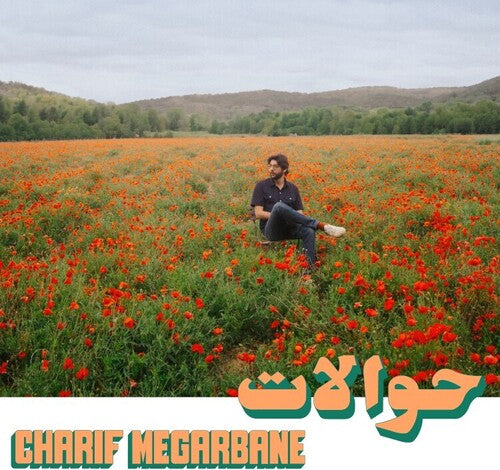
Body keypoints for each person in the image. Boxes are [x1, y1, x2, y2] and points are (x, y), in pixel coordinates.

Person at [250, 153, 346, 269]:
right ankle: (322, 226)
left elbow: (299, 214)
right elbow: (258, 213)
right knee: (279, 207)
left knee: (308, 231)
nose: (271, 169)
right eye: (269, 166)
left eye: (275, 166)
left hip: (289, 228)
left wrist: (290, 217)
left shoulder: (293, 188)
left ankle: (308, 269)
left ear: (284, 169)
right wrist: (280, 215)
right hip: (271, 230)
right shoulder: (261, 186)